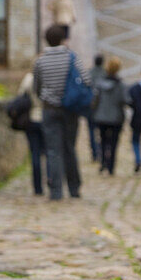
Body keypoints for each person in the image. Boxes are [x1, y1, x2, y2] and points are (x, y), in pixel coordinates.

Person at [33, 24, 91, 200]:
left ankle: (56, 190)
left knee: (52, 150)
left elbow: (37, 87)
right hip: (70, 109)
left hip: (49, 109)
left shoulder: (40, 61)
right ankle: (74, 188)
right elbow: (86, 79)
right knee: (69, 148)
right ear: (62, 39)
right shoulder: (71, 57)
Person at [92, 56, 128, 175]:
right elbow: (125, 100)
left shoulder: (99, 83)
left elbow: (95, 99)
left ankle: (103, 162)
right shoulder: (121, 85)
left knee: (102, 141)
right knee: (113, 143)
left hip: (101, 116)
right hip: (116, 118)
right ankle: (111, 165)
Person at [17, 68, 45, 195]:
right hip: (46, 119)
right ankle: (51, 181)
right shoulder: (48, 78)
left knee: (35, 154)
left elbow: (20, 96)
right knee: (50, 153)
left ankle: (37, 187)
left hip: (32, 119)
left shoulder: (29, 79)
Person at [87, 55, 106, 162]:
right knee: (102, 131)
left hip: (91, 106)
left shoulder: (89, 73)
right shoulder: (105, 73)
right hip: (102, 107)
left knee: (91, 130)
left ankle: (94, 152)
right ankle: (101, 150)